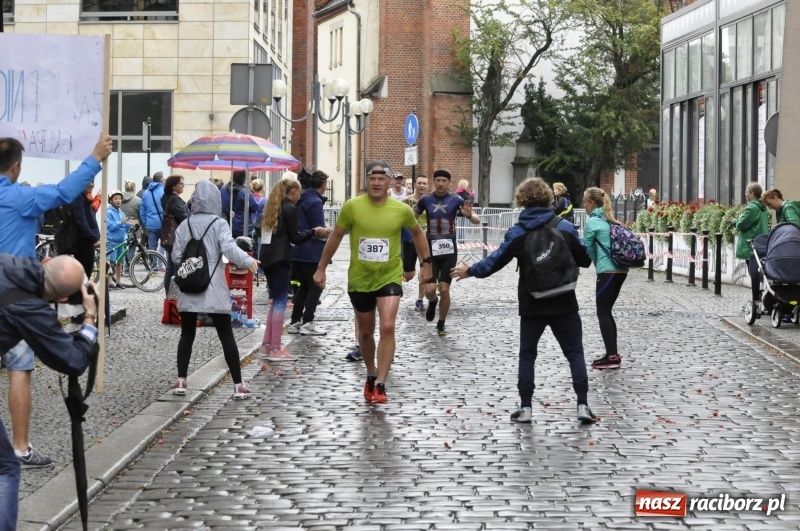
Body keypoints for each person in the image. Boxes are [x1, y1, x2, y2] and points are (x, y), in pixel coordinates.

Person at [0, 133, 111, 470]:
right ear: (17, 166)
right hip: (18, 298)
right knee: (20, 367)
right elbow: (64, 192)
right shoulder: (18, 197)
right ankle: (19, 447)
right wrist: (95, 157)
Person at [450, 177, 595, 424]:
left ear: (521, 201)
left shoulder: (518, 231)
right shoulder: (564, 227)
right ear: (549, 198)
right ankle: (582, 405)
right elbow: (584, 260)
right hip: (564, 299)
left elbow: (495, 261)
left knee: (528, 354)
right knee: (574, 352)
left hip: (532, 300)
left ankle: (526, 408)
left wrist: (470, 271)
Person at [314, 161, 432, 404]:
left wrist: (426, 264)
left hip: (389, 275)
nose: (377, 183)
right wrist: (321, 268)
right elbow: (335, 237)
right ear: (366, 181)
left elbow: (418, 235)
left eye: (382, 178)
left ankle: (381, 383)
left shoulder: (401, 210)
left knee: (387, 327)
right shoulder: (352, 207)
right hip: (360, 278)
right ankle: (370, 373)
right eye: (372, 178)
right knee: (366, 332)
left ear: (390, 182)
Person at [0, 254, 100, 528]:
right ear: (65, 299)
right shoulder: (31, 308)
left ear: (46, 261)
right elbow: (73, 361)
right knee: (5, 468)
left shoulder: (9, 262)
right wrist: (89, 317)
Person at [170, 180, 259, 399]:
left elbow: (175, 256)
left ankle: (181, 380)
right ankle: (238, 384)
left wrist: (192, 263)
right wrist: (247, 262)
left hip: (189, 286)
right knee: (226, 335)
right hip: (213, 288)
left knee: (187, 334)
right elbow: (229, 248)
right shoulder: (219, 224)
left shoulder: (185, 225)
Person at [257, 179, 328, 360]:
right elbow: (295, 237)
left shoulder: (273, 206)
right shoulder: (289, 208)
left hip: (267, 257)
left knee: (274, 301)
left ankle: (266, 345)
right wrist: (314, 232)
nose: (300, 196)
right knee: (280, 302)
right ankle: (275, 348)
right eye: (299, 192)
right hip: (281, 258)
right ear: (294, 191)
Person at [414, 168, 480, 337]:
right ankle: (433, 302)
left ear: (449, 183)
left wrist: (468, 215)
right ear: (433, 181)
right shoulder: (426, 200)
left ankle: (441, 323)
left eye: (444, 181)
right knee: (429, 290)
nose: (441, 184)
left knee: (444, 289)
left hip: (449, 249)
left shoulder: (456, 199)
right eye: (438, 180)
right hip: (430, 248)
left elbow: (476, 219)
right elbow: (412, 218)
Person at [582, 187, 628, 370]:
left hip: (607, 271)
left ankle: (611, 357)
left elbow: (586, 250)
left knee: (602, 312)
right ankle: (612, 353)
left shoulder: (593, 223)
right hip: (621, 271)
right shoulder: (610, 220)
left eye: (585, 202)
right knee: (607, 312)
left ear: (592, 203)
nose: (583, 205)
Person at [289, 171, 332, 336]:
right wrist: (329, 231)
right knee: (316, 286)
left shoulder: (302, 198)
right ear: (323, 185)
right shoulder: (314, 202)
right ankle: (307, 322)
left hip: (298, 249)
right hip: (311, 251)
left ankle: (294, 322)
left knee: (303, 288)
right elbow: (318, 229)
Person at [730, 183, 770, 306]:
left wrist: (734, 221)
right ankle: (760, 298)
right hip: (761, 242)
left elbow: (742, 224)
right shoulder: (763, 207)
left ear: (752, 194)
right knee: (759, 272)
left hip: (751, 243)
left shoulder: (752, 208)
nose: (745, 194)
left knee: (754, 274)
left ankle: (756, 301)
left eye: (747, 191)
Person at [402, 174, 429, 312]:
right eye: (420, 183)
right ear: (415, 185)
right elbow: (400, 219)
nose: (422, 186)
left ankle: (420, 299)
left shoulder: (430, 201)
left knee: (424, 270)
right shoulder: (407, 200)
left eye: (425, 183)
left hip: (425, 241)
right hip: (410, 240)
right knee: (409, 275)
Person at [161, 175, 190, 295]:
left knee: (170, 267)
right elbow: (184, 217)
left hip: (171, 237)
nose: (183, 185)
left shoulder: (168, 198)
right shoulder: (174, 199)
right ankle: (173, 295)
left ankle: (170, 295)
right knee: (175, 267)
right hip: (176, 237)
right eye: (181, 183)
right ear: (173, 186)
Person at [70, 181, 102, 279]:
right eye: (88, 181)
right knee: (84, 274)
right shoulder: (78, 198)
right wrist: (94, 239)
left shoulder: (84, 197)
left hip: (87, 240)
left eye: (93, 181)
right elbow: (81, 221)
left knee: (86, 273)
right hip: (84, 241)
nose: (92, 184)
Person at [220, 170, 262, 238]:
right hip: (243, 229)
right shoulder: (245, 192)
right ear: (243, 178)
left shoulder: (223, 189)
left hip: (226, 227)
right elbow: (254, 207)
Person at [106, 190, 135, 289]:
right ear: (110, 200)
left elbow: (124, 227)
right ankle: (109, 282)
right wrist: (121, 223)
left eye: (119, 198)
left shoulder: (121, 212)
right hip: (113, 241)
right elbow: (111, 227)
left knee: (119, 263)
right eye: (115, 199)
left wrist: (129, 224)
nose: (118, 200)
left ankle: (118, 281)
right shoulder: (109, 212)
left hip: (122, 240)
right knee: (111, 262)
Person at [139, 172, 165, 261]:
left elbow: (142, 211)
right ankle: (164, 265)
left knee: (152, 248)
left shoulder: (146, 193)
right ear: (161, 179)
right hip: (163, 223)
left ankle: (153, 268)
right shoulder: (164, 191)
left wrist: (146, 223)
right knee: (166, 245)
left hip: (151, 225)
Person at [120, 180, 141, 274]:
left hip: (121, 227)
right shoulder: (138, 200)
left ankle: (119, 269)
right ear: (133, 188)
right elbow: (141, 214)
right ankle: (128, 269)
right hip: (133, 227)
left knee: (120, 247)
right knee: (131, 247)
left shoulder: (118, 198)